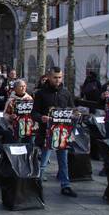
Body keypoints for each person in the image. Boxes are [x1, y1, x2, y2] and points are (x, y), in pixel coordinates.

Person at [32, 66, 77, 197]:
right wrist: (41, 118)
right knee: (44, 160)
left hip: (63, 132)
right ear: (49, 77)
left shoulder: (66, 93)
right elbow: (33, 113)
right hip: (47, 133)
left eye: (59, 77)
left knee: (63, 160)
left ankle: (65, 185)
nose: (58, 80)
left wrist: (75, 114)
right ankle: (37, 184)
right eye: (55, 77)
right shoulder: (40, 94)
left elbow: (72, 109)